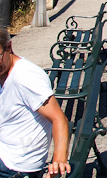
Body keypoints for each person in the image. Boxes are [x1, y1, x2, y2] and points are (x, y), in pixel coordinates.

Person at [0, 28, 71, 178]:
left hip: (13, 165)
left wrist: (59, 159)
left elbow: (60, 119)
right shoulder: (4, 72)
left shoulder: (25, 77)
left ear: (9, 47)